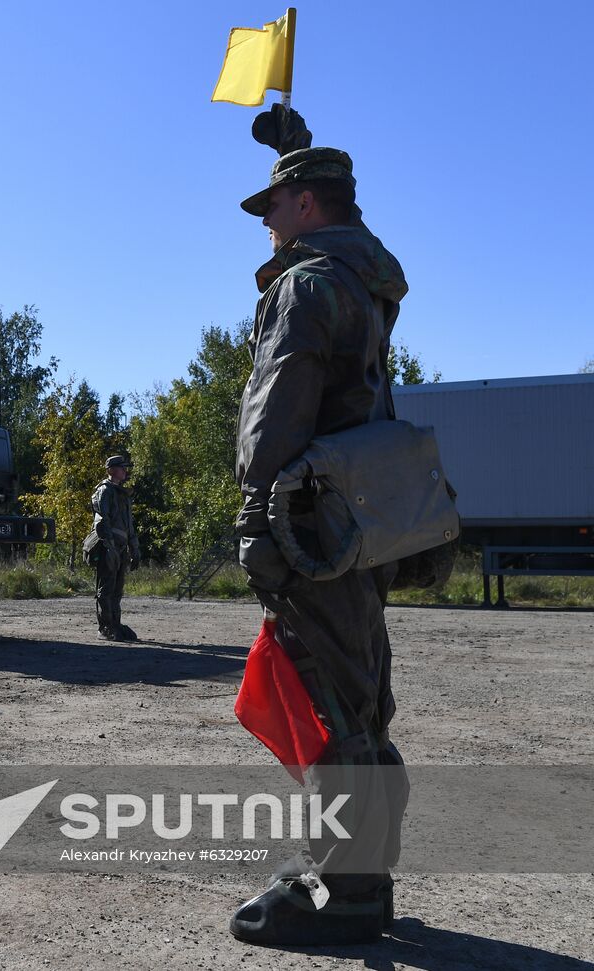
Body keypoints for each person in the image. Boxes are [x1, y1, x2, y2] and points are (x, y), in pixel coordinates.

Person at [229, 146, 411, 946]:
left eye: (273, 206)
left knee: (327, 700)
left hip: (306, 525)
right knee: (360, 696)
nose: (265, 223)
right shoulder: (365, 286)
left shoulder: (306, 286)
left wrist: (255, 523)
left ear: (307, 203)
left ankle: (344, 890)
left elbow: (277, 415)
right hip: (356, 523)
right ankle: (363, 875)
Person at [90, 454, 141, 642]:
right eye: (121, 467)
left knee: (117, 590)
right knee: (106, 589)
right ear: (111, 470)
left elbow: (129, 525)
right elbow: (101, 521)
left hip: (121, 547)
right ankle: (105, 627)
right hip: (108, 546)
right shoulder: (105, 491)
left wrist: (135, 549)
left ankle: (115, 624)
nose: (125, 471)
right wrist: (109, 546)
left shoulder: (122, 494)